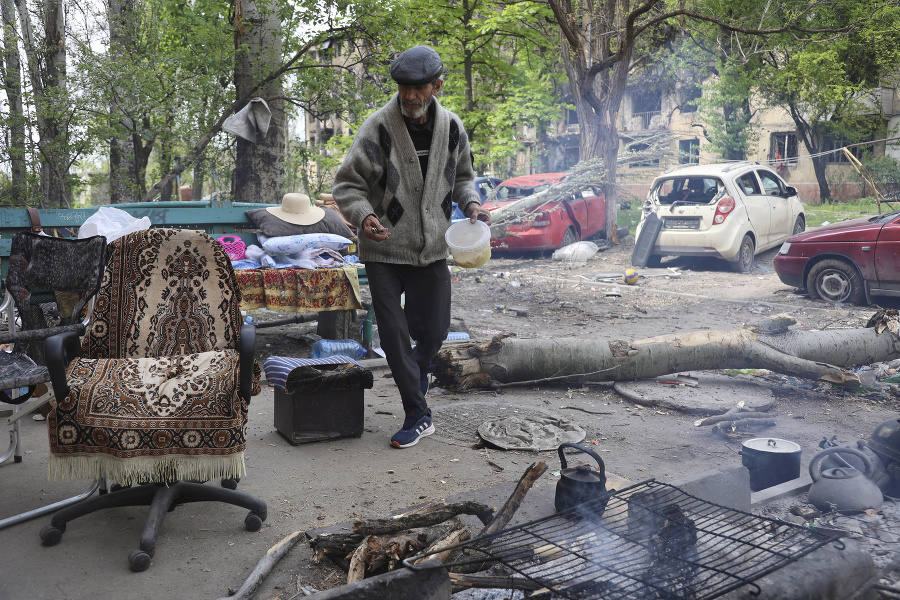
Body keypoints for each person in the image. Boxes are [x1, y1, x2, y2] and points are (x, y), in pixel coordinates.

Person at [332, 45, 491, 448]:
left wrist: (471, 202)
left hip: (432, 248)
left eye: (418, 88)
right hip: (383, 249)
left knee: (435, 331)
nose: (409, 96)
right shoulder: (377, 128)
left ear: (436, 86)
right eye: (403, 87)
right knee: (394, 335)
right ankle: (418, 413)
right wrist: (365, 216)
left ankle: (413, 376)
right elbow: (348, 186)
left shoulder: (452, 128)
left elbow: (463, 177)